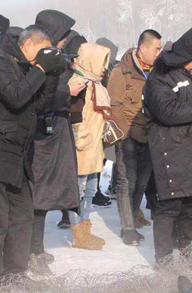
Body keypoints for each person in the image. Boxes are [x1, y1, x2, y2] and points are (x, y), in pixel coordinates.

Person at [0, 25, 64, 292]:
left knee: (22, 219)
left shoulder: (27, 66)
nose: (45, 57)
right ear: (28, 45)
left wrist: (52, 75)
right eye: (43, 51)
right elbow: (15, 96)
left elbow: (38, 105)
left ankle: (15, 273)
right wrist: (39, 70)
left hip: (19, 157)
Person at [143, 27, 192, 266]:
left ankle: (189, 254)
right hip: (171, 149)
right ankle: (164, 259)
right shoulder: (160, 76)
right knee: (169, 206)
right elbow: (167, 111)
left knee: (190, 206)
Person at [29, 9, 81, 274]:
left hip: (55, 131)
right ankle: (32, 250)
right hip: (43, 134)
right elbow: (38, 93)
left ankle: (36, 247)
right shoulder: (38, 59)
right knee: (39, 195)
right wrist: (67, 91)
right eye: (63, 36)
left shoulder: (53, 57)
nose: (65, 41)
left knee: (47, 195)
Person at [108, 29, 161, 246]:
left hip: (150, 136)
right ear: (143, 48)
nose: (159, 53)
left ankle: (133, 218)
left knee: (141, 183)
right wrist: (123, 135)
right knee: (126, 182)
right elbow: (114, 106)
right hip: (128, 136)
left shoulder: (157, 72)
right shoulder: (122, 71)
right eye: (156, 48)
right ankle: (127, 228)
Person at [68, 42, 111, 250]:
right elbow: (74, 116)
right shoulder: (79, 83)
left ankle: (85, 230)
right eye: (101, 62)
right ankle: (79, 234)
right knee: (78, 190)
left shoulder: (96, 84)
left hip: (94, 148)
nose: (104, 67)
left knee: (91, 190)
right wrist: (82, 138)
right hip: (82, 148)